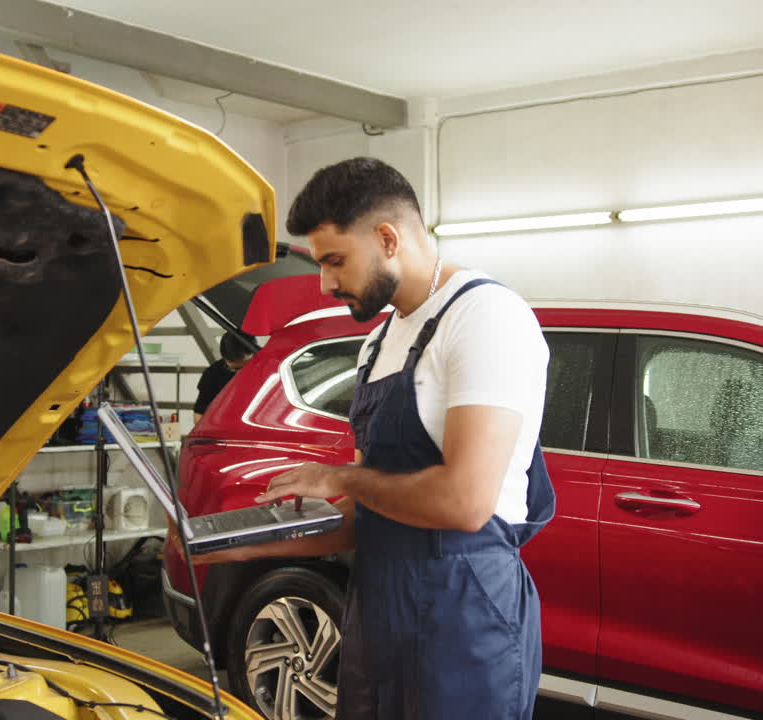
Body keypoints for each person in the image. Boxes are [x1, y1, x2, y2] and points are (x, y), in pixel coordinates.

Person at [193, 157, 554, 719]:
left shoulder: (485, 318)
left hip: (463, 613)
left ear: (388, 238)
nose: (325, 282)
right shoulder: (377, 343)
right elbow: (368, 517)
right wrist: (238, 542)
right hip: (377, 611)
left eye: (335, 260)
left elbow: (464, 503)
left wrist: (337, 476)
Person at [192, 330, 254, 422]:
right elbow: (199, 413)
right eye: (233, 369)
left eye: (243, 368)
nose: (238, 374)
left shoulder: (271, 368)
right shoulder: (213, 373)